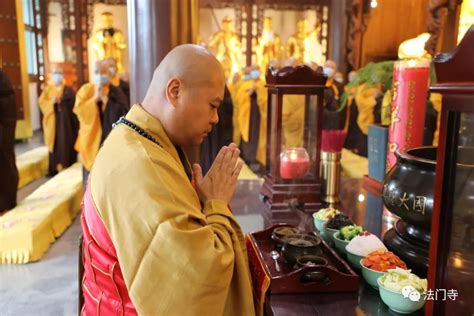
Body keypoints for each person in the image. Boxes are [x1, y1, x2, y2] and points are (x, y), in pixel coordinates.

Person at [80, 44, 255, 315]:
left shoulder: (139, 138)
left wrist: (202, 200)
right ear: (175, 91)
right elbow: (194, 283)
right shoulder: (139, 164)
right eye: (212, 106)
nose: (216, 118)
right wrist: (217, 205)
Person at [73, 59, 128, 175]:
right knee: (89, 180)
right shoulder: (86, 89)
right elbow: (79, 111)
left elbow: (123, 113)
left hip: (108, 141)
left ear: (108, 73)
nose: (100, 75)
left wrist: (105, 100)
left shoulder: (116, 91)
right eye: (96, 72)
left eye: (103, 72)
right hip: (90, 140)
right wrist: (94, 100)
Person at [38, 68, 78, 176]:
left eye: (59, 73)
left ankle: (67, 166)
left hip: (65, 123)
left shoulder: (68, 89)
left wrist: (62, 101)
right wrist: (52, 102)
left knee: (65, 142)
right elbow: (41, 102)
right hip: (52, 122)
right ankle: (53, 168)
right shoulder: (48, 89)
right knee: (54, 143)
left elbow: (73, 103)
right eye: (55, 73)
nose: (57, 75)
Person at [0, 69, 19, 213]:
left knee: (5, 162)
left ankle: (8, 202)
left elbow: (8, 103)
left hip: (3, 128)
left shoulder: (2, 77)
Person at [207, 15, 243, 80]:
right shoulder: (219, 35)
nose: (227, 25)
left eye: (229, 23)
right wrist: (218, 36)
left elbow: (238, 49)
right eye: (225, 23)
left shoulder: (234, 36)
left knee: (232, 79)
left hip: (232, 59)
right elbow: (210, 44)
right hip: (221, 59)